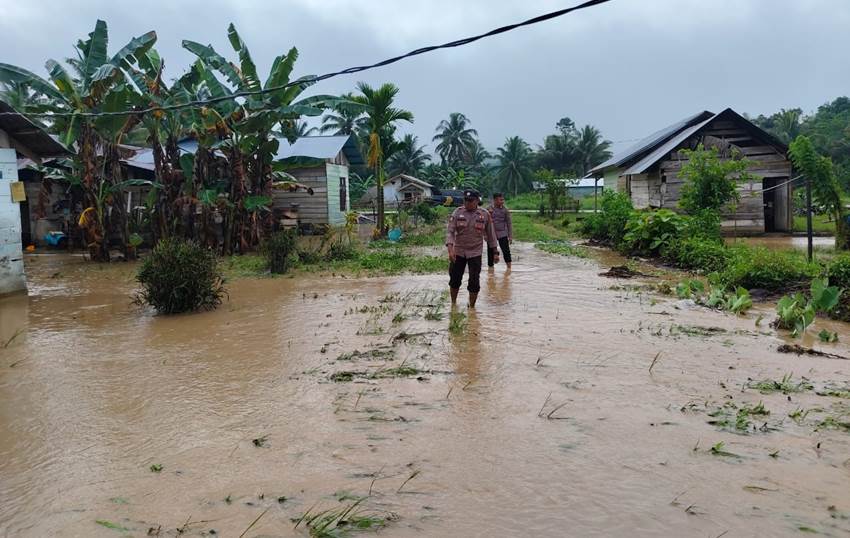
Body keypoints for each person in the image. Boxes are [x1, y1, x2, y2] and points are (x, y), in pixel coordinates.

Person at [446, 189, 499, 307]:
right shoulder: (457, 212)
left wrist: (495, 252)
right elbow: (450, 232)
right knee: (455, 279)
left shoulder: (484, 214)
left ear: (477, 201)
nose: (467, 203)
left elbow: (491, 235)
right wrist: (450, 249)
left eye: (470, 200)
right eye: (466, 200)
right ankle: (453, 304)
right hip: (458, 251)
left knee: (474, 281)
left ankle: (472, 307)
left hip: (475, 252)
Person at [487, 192, 513, 269]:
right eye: (500, 200)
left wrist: (510, 236)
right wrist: (485, 235)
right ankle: (491, 270)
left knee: (506, 251)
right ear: (495, 200)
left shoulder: (505, 210)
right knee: (490, 252)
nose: (502, 201)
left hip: (502, 233)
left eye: (503, 200)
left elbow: (509, 223)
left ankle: (509, 269)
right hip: (491, 233)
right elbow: (485, 223)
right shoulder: (488, 209)